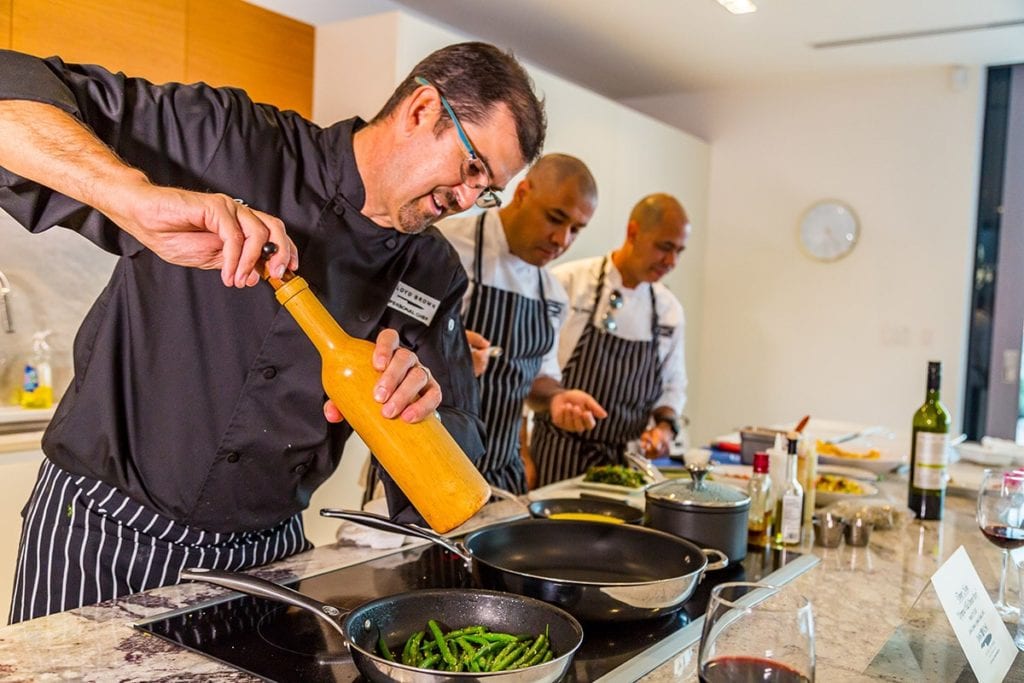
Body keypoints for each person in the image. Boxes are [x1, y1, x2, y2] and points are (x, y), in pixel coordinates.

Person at [0, 41, 545, 623]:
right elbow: (12, 89)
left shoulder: (433, 272)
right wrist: (132, 196)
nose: (468, 200)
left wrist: (420, 413)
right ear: (420, 109)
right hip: (103, 532)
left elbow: (456, 442)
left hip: (265, 564)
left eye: (486, 190)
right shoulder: (229, 141)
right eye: (473, 167)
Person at [436, 154, 606, 493]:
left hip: (502, 479)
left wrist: (557, 398)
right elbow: (380, 343)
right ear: (524, 192)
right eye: (555, 218)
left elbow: (538, 380)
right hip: (425, 474)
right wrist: (444, 356)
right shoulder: (444, 248)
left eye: (576, 230)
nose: (562, 240)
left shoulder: (552, 293)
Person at [531, 193, 690, 487]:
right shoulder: (566, 283)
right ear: (633, 232)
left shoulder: (668, 310)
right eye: (664, 247)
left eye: (679, 251)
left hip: (628, 467)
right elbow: (530, 370)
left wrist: (665, 429)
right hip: (558, 456)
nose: (671, 261)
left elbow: (673, 386)